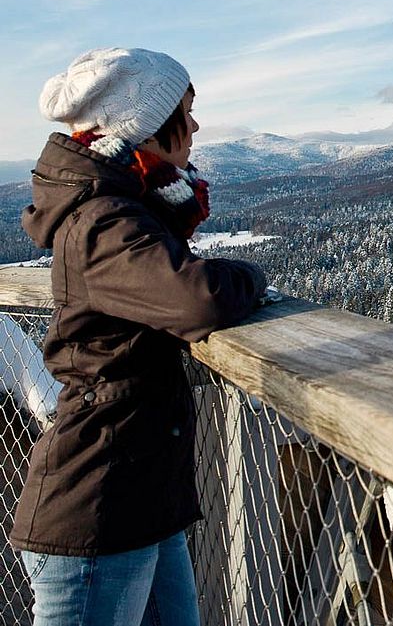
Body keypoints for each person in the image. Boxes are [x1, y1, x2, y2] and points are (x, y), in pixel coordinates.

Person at [10, 47, 268, 626]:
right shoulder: (101, 222)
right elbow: (197, 297)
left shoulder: (122, 209)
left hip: (137, 499)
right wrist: (248, 274)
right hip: (96, 514)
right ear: (145, 126)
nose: (196, 125)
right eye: (187, 110)